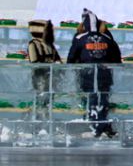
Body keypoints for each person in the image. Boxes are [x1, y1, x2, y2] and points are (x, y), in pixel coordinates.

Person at [67, 9, 121, 138]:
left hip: (86, 76)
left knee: (89, 100)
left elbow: (70, 59)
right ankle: (102, 124)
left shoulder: (80, 38)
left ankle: (92, 125)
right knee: (103, 100)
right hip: (105, 76)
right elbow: (117, 58)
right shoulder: (107, 38)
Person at [28, 19, 61, 120]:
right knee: (41, 102)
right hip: (40, 79)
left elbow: (58, 60)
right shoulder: (33, 44)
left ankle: (46, 123)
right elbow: (34, 62)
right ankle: (39, 124)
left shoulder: (50, 45)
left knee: (48, 102)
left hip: (50, 79)